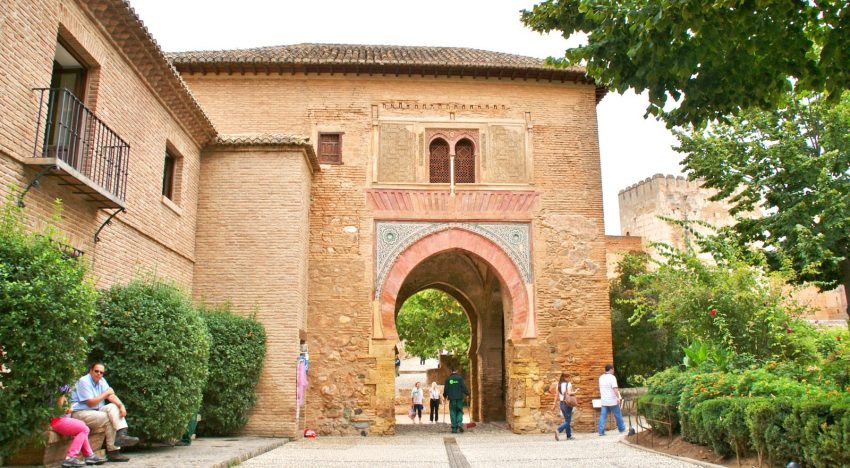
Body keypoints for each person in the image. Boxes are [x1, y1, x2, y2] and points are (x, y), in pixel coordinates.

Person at [70, 363, 139, 462]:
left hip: (95, 411)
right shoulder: (84, 381)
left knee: (113, 407)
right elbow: (90, 403)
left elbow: (111, 396)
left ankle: (122, 435)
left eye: (101, 372)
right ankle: (113, 452)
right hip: (80, 412)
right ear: (91, 371)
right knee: (108, 418)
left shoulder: (102, 381)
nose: (99, 374)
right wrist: (106, 393)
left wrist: (121, 406)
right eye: (96, 371)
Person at [50, 384, 107, 467]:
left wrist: (68, 408)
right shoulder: (61, 387)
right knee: (84, 429)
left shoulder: (62, 387)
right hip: (56, 421)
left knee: (82, 427)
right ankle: (70, 457)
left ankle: (89, 455)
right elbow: (60, 408)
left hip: (59, 419)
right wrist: (67, 408)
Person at [597, 363, 625, 436]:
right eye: (613, 369)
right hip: (612, 400)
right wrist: (618, 397)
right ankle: (622, 428)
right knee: (618, 415)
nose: (613, 371)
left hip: (604, 400)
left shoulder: (601, 377)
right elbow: (615, 389)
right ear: (611, 369)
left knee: (603, 416)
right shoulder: (612, 377)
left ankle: (601, 431)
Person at [443, 367, 469, 434]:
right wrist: (467, 393)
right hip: (459, 398)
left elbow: (446, 389)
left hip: (452, 399)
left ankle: (454, 429)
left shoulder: (448, 379)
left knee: (453, 412)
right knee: (460, 411)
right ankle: (459, 423)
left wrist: (445, 396)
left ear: (451, 371)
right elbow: (463, 387)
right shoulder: (460, 378)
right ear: (456, 370)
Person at [554, 372, 578, 441]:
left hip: (561, 404)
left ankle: (569, 436)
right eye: (568, 377)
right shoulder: (568, 384)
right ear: (565, 377)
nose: (569, 378)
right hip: (567, 404)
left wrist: (554, 404)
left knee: (567, 420)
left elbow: (556, 395)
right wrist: (575, 392)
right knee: (568, 421)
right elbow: (569, 393)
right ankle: (558, 430)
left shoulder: (558, 385)